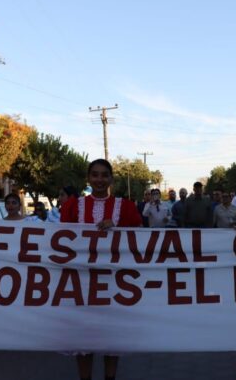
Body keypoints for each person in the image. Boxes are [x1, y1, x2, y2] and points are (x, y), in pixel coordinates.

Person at [61, 158, 142, 380]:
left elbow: (140, 235)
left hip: (114, 282)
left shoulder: (125, 207)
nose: (99, 179)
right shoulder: (72, 205)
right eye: (95, 174)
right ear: (88, 178)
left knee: (111, 335)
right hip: (81, 281)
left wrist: (117, 227)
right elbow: (61, 240)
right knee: (83, 336)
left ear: (111, 179)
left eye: (104, 175)